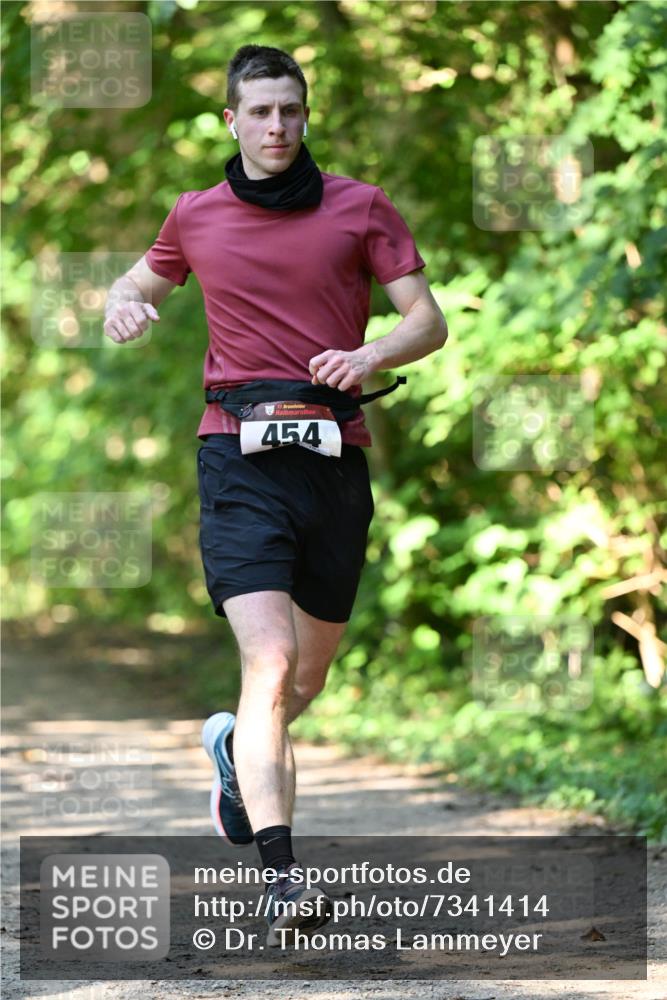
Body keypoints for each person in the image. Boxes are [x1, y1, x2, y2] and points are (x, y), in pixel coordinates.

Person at [104, 44, 447, 946]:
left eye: (289, 109)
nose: (276, 126)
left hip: (333, 458)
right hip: (236, 456)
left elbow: (426, 319)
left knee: (305, 677)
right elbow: (137, 281)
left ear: (305, 114)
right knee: (267, 664)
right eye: (258, 111)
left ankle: (231, 751)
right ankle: (281, 877)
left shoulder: (359, 206)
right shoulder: (195, 214)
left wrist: (370, 354)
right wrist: (122, 304)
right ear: (231, 120)